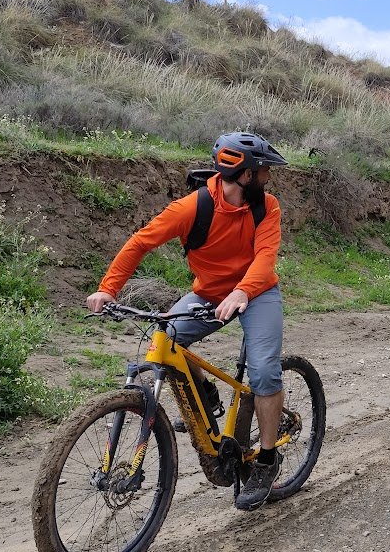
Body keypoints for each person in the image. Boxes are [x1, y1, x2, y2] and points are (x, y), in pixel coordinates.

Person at [85, 131, 287, 511]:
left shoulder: (267, 207)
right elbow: (140, 242)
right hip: (209, 294)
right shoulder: (193, 208)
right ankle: (206, 397)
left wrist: (242, 292)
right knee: (166, 339)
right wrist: (107, 289)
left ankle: (266, 459)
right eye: (264, 171)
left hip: (257, 293)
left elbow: (265, 258)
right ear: (246, 175)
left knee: (263, 372)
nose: (268, 177)